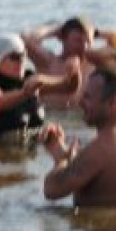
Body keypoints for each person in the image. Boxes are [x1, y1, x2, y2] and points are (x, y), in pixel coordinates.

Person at [0, 34, 76, 145]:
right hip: (1, 153)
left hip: (30, 153)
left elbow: (69, 87)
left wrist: (73, 73)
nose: (21, 60)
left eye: (23, 55)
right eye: (15, 57)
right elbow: (0, 101)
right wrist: (25, 92)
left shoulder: (31, 82)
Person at [42, 64, 116, 207]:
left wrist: (61, 160)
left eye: (87, 97)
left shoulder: (100, 150)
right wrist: (67, 156)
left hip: (95, 221)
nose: (80, 102)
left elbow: (51, 189)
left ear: (113, 103)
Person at [21, 16, 95, 108]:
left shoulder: (95, 66)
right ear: (63, 38)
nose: (84, 46)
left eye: (88, 41)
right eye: (78, 41)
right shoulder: (48, 62)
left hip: (79, 115)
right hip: (51, 113)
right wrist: (52, 30)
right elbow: (24, 39)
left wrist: (99, 33)